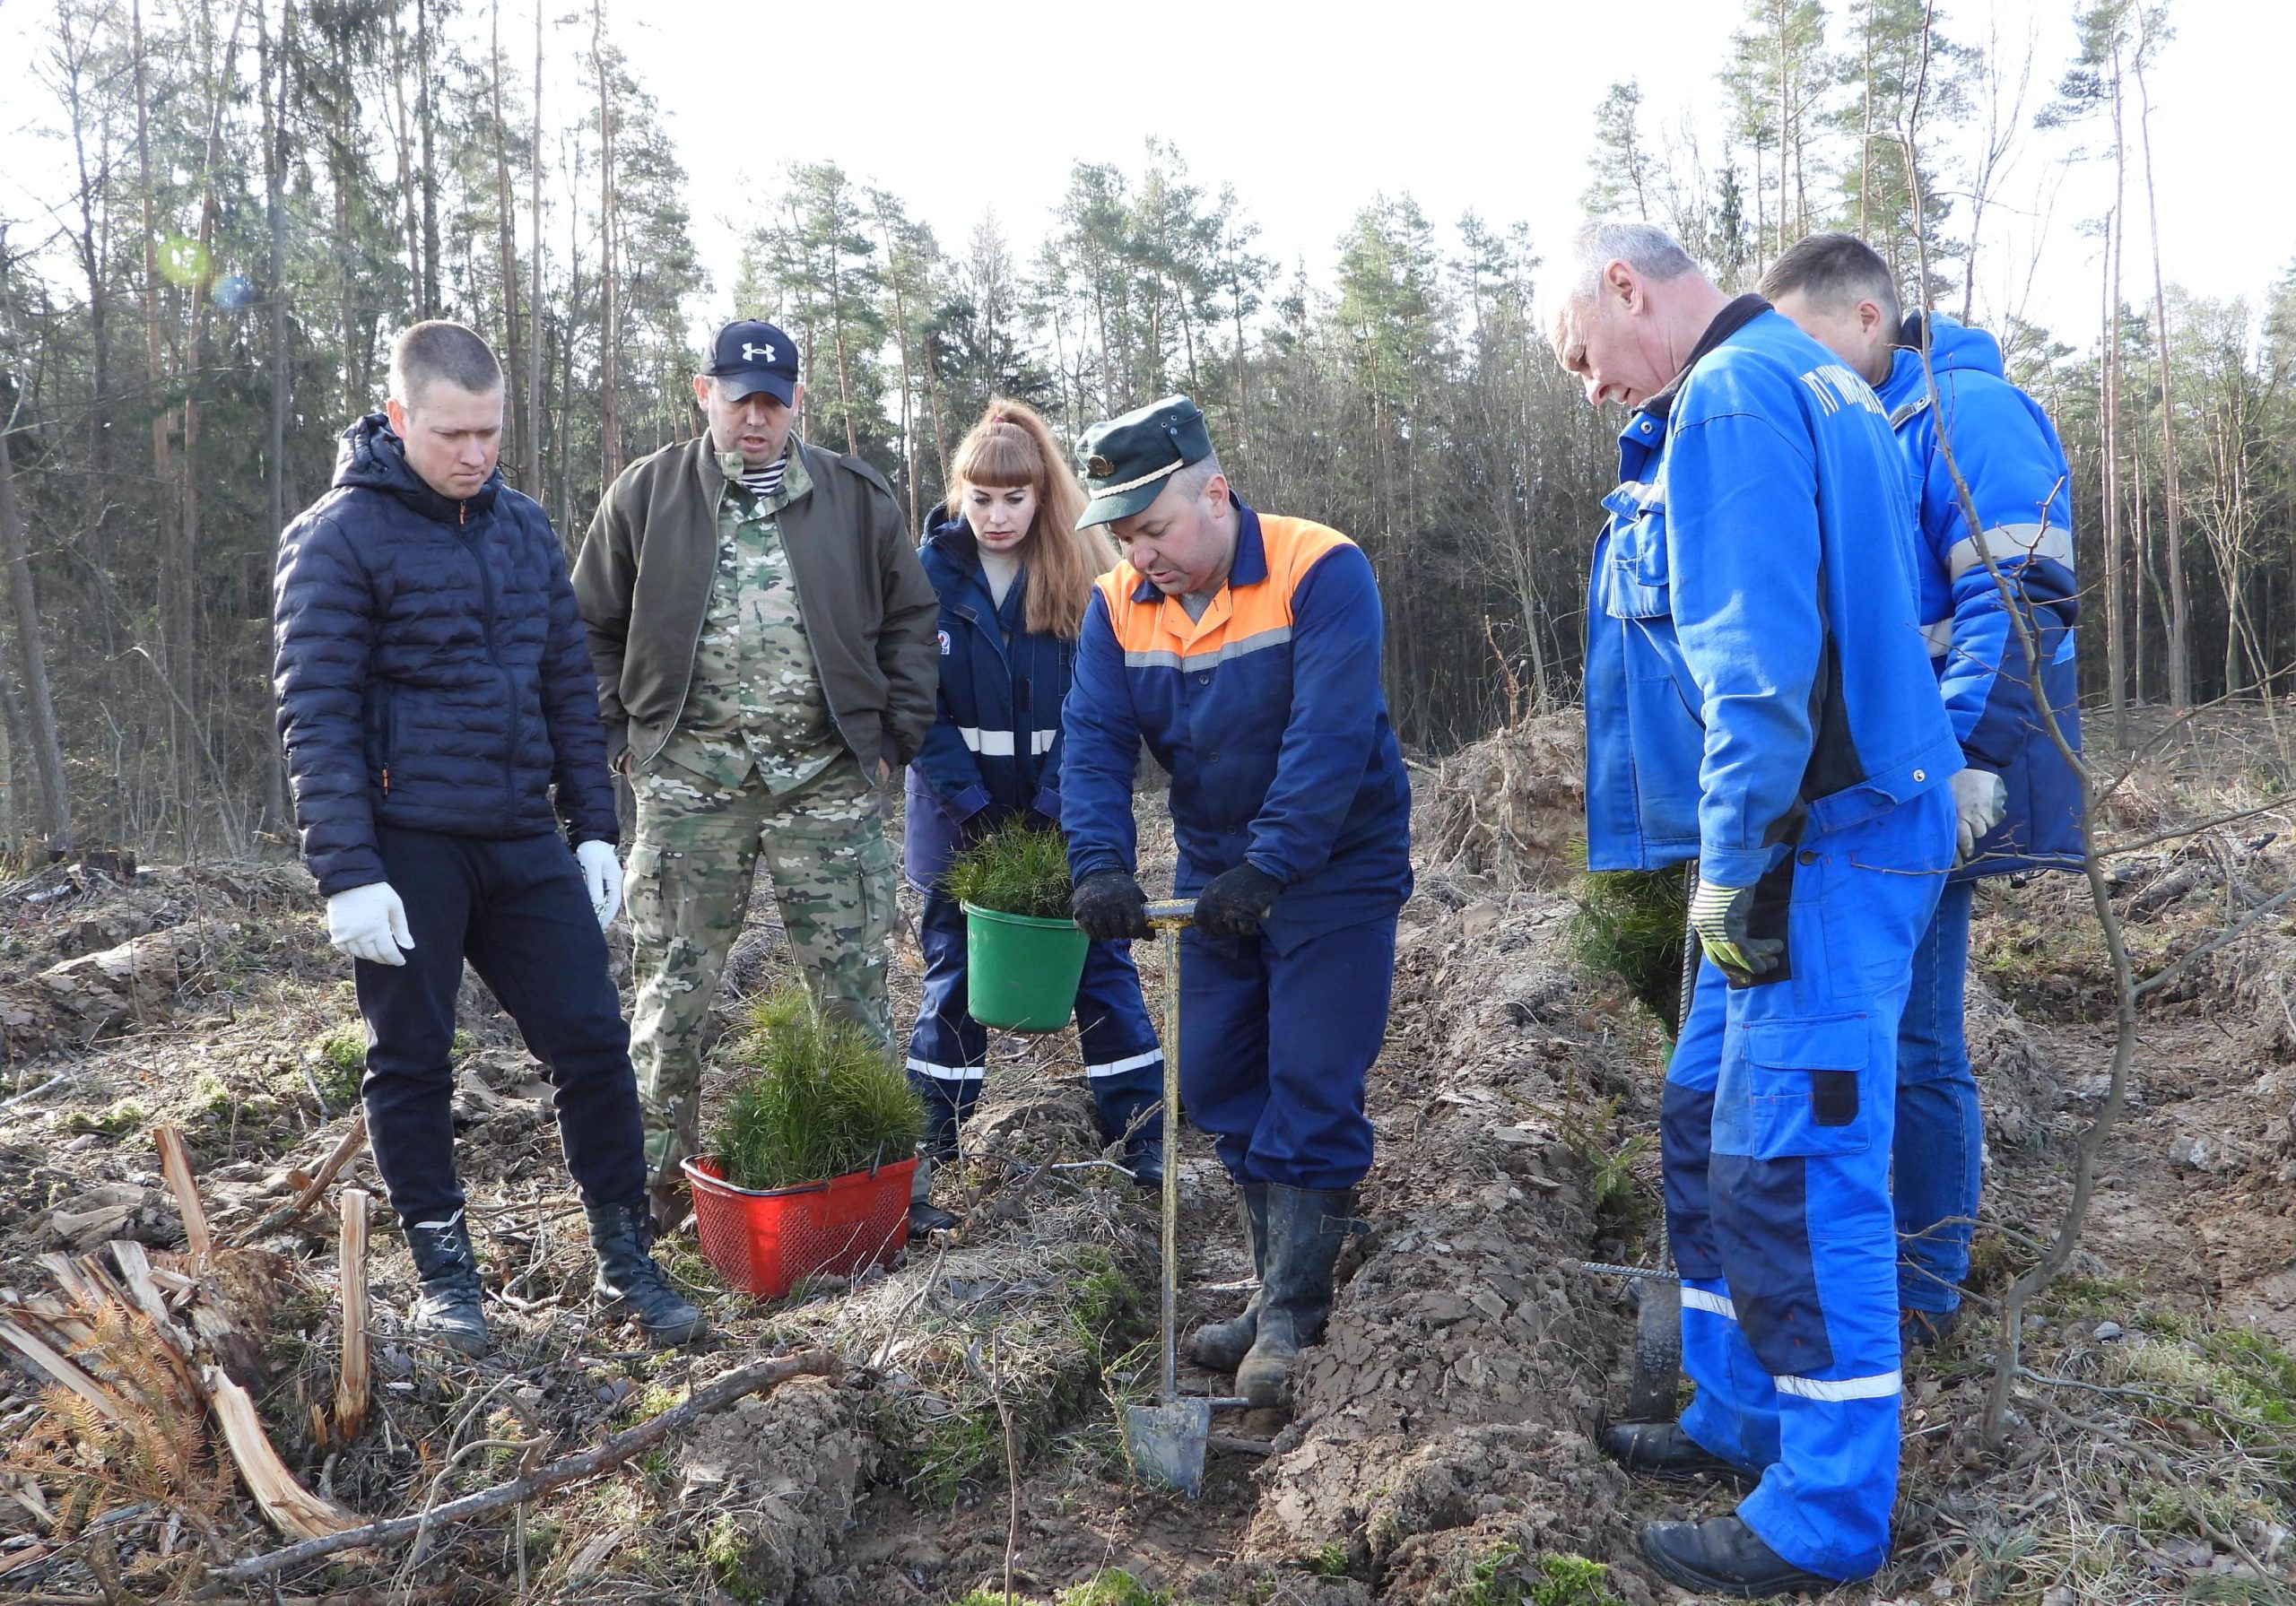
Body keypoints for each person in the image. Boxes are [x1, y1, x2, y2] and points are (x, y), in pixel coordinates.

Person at [1550, 223, 1961, 1595]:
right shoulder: (1806, 371)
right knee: (1702, 1115)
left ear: (1627, 286)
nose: (1592, 387)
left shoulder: (1731, 392)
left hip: (1818, 843)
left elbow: (1759, 665)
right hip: (1808, 832)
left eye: (1583, 356)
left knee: (1801, 1157)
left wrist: (1733, 862)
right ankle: (1733, 1406)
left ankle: (1825, 1512)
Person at [274, 320, 704, 1357]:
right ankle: (444, 1275)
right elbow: (315, 710)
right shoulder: (337, 537)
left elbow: (567, 682)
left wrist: (594, 830)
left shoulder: (522, 529)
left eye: (490, 434)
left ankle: (623, 1258)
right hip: (407, 843)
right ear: (398, 420)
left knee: (594, 1044)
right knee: (412, 1059)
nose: (474, 454)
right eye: (452, 434)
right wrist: (347, 872)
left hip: (520, 838)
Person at [1761, 232, 2084, 1350]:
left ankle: (1923, 1284)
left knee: (1918, 1039)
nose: (1789, 375)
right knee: (1895, 1027)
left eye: (1803, 346)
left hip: (1941, 776)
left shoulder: (1965, 414)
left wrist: (1954, 770)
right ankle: (1891, 1264)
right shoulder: (1872, 420)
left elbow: (2019, 600)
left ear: (1867, 321)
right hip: (1890, 777)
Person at [1060, 395, 1413, 1411]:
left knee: (1310, 1073)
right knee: (1217, 1074)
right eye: (1123, 536)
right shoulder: (1118, 603)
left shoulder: (1319, 568)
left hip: (1333, 863)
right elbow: (1091, 742)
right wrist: (1099, 865)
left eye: (1154, 528)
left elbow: (1329, 737)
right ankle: (1269, 1294)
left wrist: (1273, 867)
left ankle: (1293, 1316)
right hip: (1215, 864)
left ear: (1213, 492)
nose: (1141, 554)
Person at [572, 319, 939, 1225]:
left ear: (796, 404)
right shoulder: (647, 494)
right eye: (741, 402)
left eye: (773, 404)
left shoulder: (856, 499)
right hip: (690, 783)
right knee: (671, 995)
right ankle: (648, 1191)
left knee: (853, 993)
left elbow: (909, 622)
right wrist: (621, 735)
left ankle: (873, 1186)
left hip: (825, 779)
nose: (756, 422)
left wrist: (897, 731)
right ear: (706, 395)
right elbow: (585, 626)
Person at [902, 400, 1167, 1232]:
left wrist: (1058, 808)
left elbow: (1099, 707)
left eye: (1014, 498)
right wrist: (973, 807)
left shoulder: (1085, 572)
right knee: (952, 975)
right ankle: (928, 1152)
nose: (997, 516)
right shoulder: (927, 576)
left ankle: (1142, 1136)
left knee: (1102, 969)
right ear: (960, 497)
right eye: (981, 498)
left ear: (1042, 495)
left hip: (1067, 816)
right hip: (956, 819)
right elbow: (914, 707)